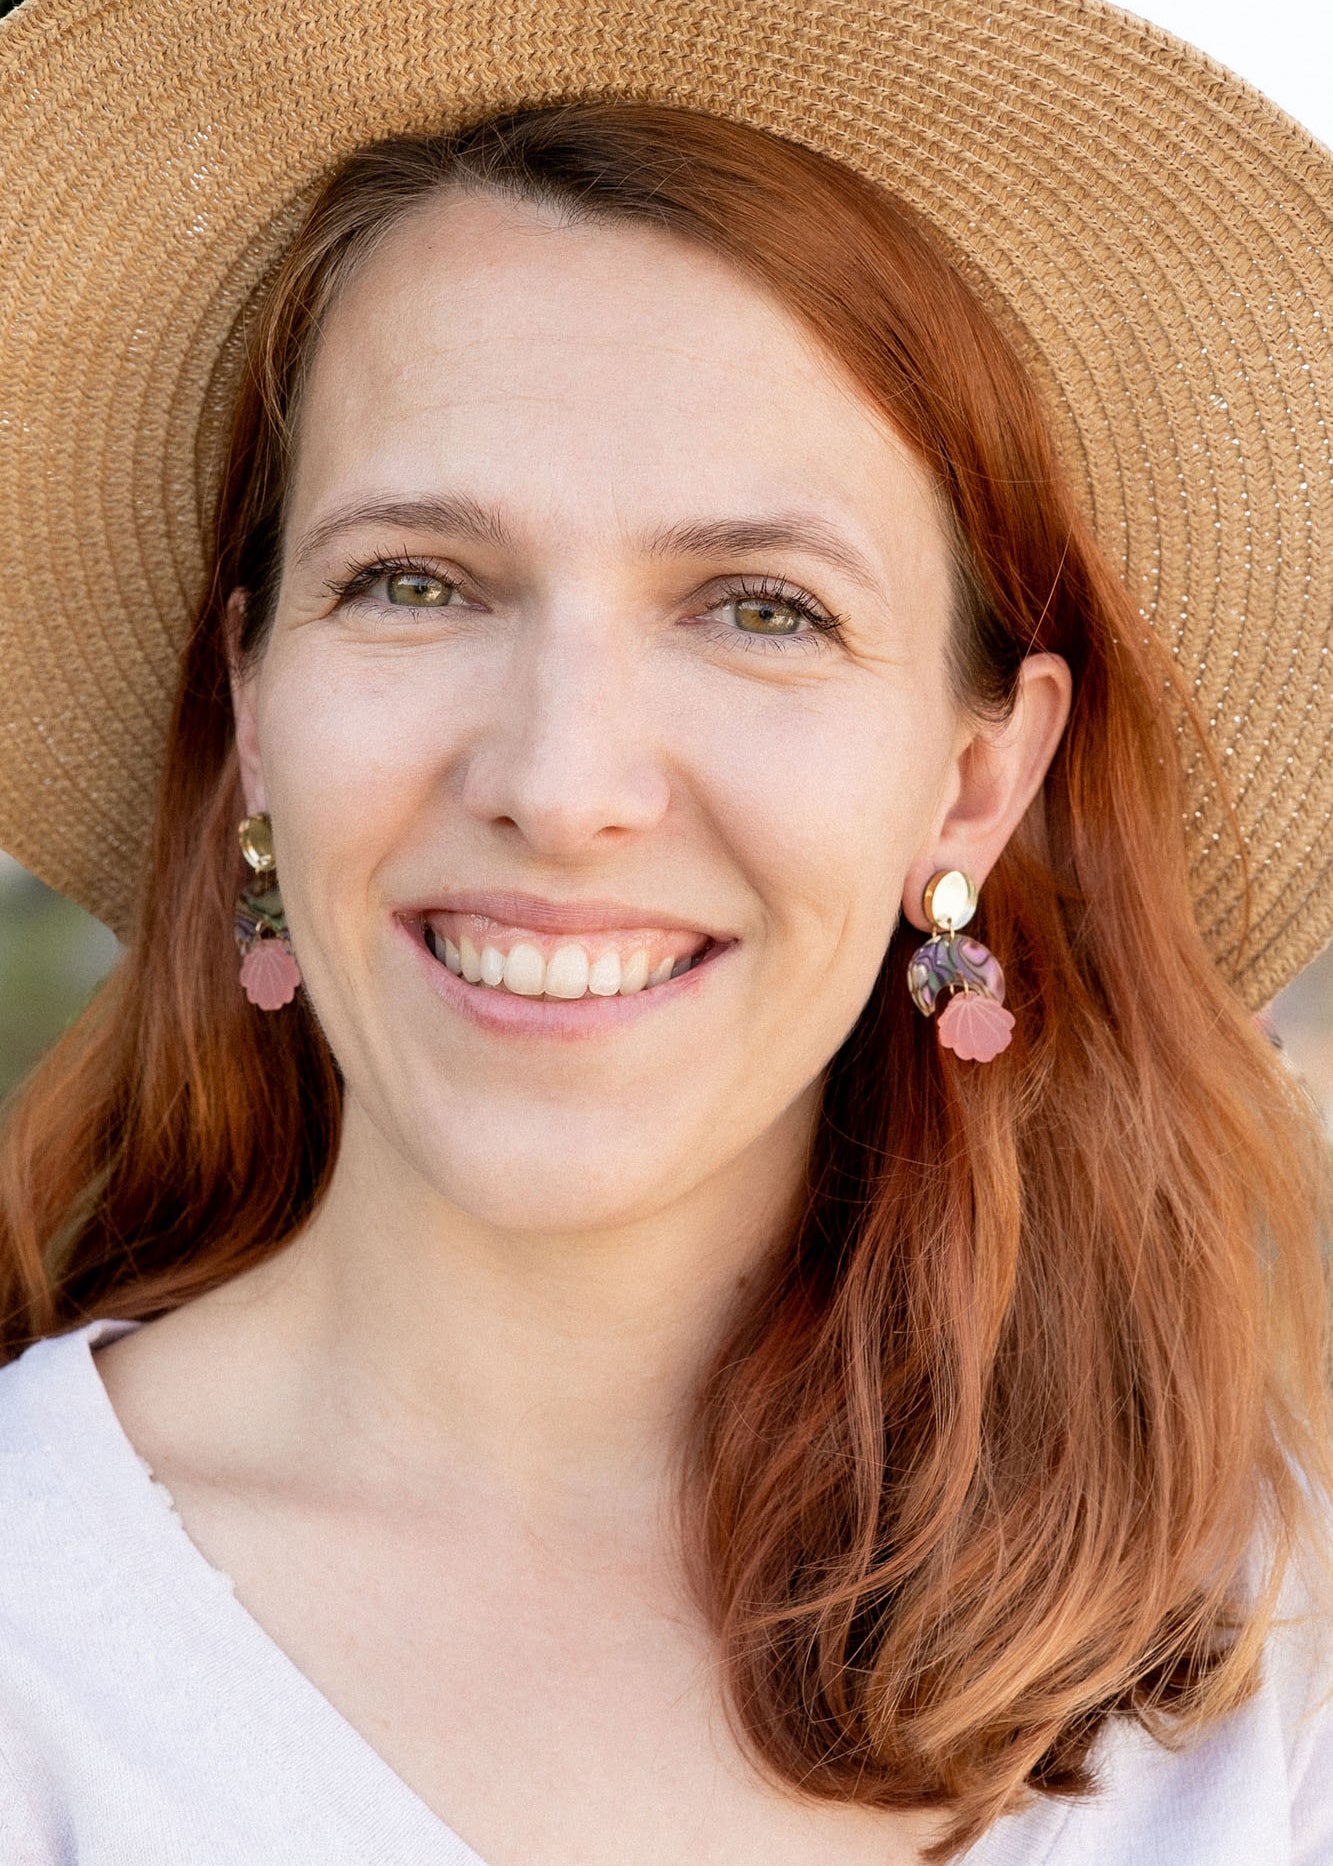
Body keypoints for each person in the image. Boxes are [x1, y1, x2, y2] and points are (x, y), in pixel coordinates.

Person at [0, 0, 1330, 1861]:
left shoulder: (1258, 1658)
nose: (561, 781)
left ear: (972, 781)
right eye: (414, 582)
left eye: (759, 608)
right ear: (249, 718)